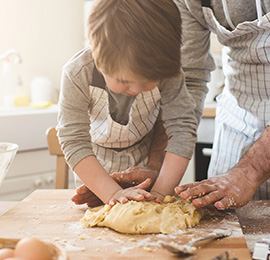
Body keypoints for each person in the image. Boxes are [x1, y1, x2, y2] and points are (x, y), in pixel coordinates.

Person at [57, 0, 197, 206]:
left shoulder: (168, 72)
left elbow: (182, 129)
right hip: (96, 170)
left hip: (151, 168)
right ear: (97, 55)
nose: (135, 90)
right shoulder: (78, 73)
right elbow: (74, 140)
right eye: (123, 80)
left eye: (149, 81)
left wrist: (159, 193)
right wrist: (110, 193)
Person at [174, 0, 270, 210]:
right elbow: (188, 79)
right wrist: (159, 165)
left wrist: (249, 172)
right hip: (236, 128)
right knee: (229, 231)